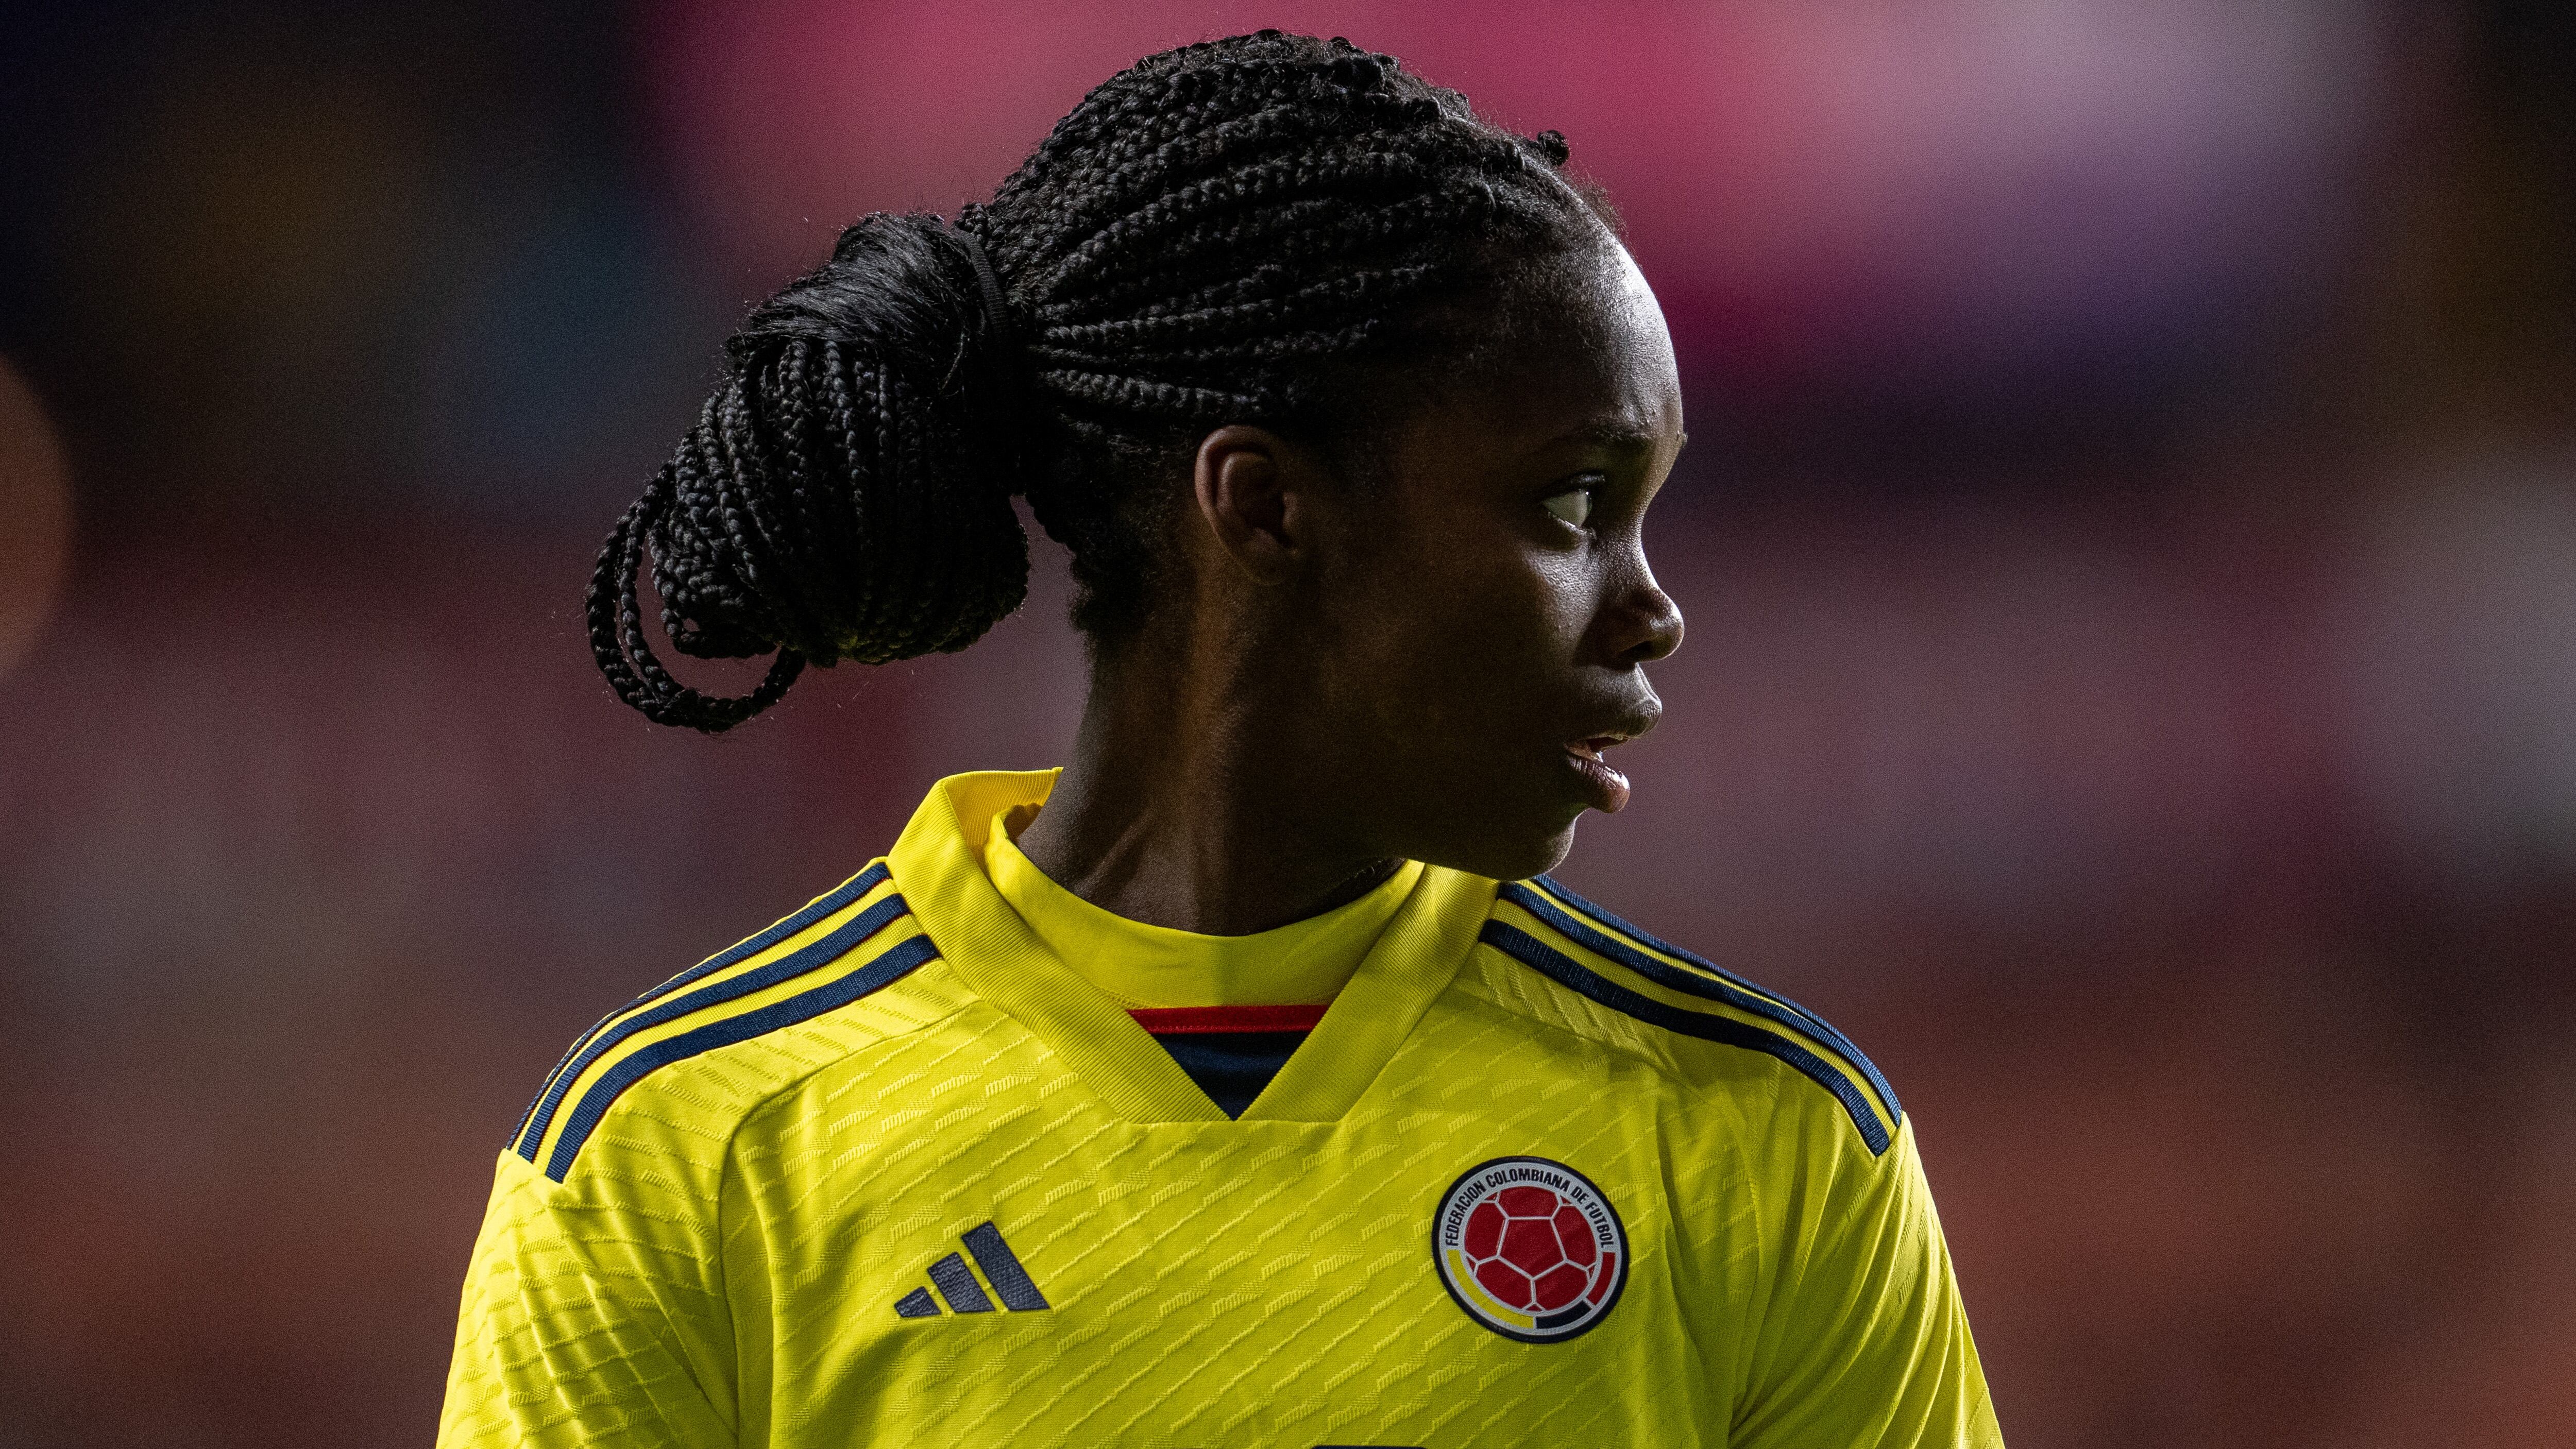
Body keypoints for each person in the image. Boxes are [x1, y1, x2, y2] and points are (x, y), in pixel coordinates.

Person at [440, 30, 2002, 1448]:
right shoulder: (682, 1156)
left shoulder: (1776, 1149)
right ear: (1263, 507)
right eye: (1573, 506)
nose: (1653, 611)